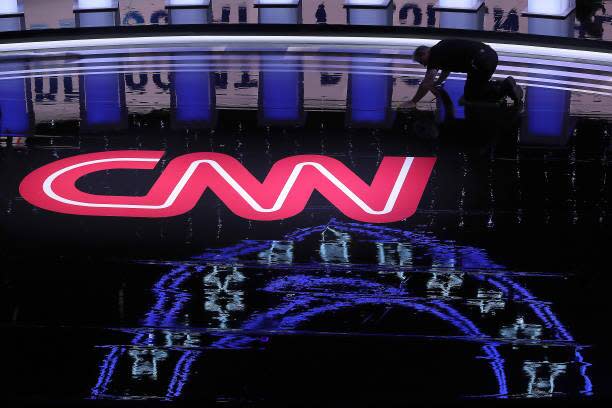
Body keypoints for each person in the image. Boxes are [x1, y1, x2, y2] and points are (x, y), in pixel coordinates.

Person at [404, 39, 523, 109]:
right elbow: (446, 69)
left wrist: (413, 101)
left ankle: (505, 87)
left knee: (471, 97)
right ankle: (503, 85)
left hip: (480, 62)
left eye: (421, 62)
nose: (424, 65)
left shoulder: (434, 55)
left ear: (424, 53)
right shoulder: (441, 48)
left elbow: (427, 81)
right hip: (489, 55)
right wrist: (438, 82)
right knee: (473, 90)